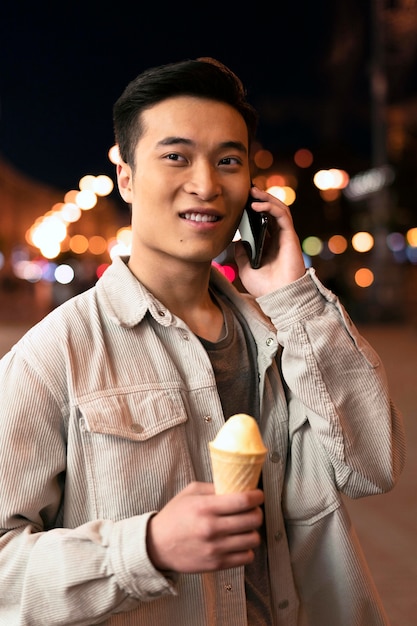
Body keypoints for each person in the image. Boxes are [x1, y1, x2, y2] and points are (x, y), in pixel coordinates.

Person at [0, 57, 405, 626]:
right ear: (126, 176)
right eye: (176, 156)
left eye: (229, 161)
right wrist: (146, 548)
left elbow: (374, 466)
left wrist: (295, 295)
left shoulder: (283, 332)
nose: (207, 184)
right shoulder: (53, 356)